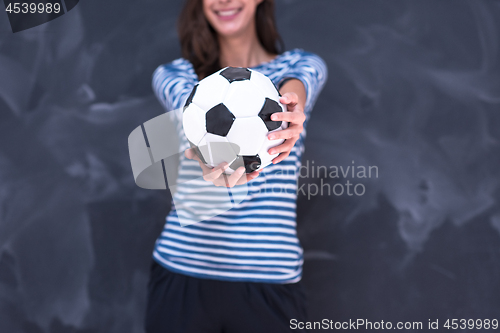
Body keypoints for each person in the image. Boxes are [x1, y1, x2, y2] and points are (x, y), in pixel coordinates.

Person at [146, 0, 327, 332]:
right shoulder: (175, 76)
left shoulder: (301, 65)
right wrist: (212, 164)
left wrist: (288, 109)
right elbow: (191, 121)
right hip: (183, 274)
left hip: (270, 284)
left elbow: (295, 87)